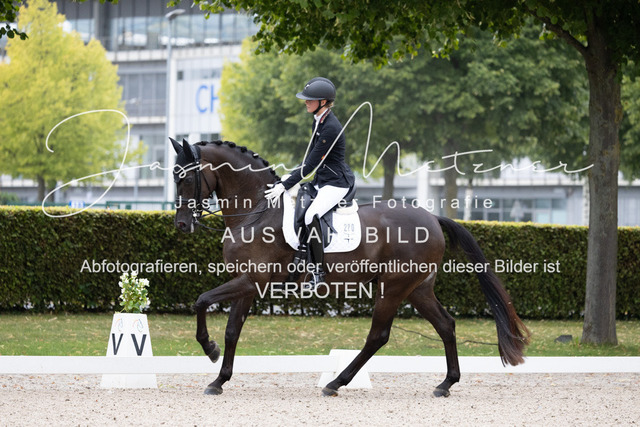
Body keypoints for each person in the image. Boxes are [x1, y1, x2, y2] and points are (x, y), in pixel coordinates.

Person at [265, 77, 355, 287]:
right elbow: (309, 157)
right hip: (321, 180)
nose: (306, 102)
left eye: (310, 99)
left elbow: (312, 164)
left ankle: (317, 272)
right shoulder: (318, 120)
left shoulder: (330, 127)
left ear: (323, 102)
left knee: (310, 216)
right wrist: (287, 178)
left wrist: (285, 185)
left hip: (335, 183)